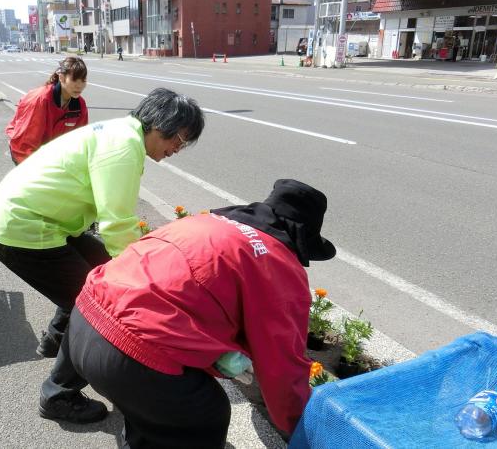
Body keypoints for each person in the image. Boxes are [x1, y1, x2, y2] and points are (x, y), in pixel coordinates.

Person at [55, 179, 337, 446]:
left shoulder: (205, 224)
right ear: (301, 239)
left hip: (83, 321)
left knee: (153, 414)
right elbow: (282, 364)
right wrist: (302, 430)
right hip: (131, 357)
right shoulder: (277, 263)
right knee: (204, 417)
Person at [0, 87, 205, 423]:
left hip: (42, 221)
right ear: (161, 125)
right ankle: (58, 393)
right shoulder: (123, 148)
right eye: (179, 138)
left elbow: (113, 226)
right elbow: (117, 225)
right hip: (25, 230)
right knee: (99, 307)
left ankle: (56, 343)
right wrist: (141, 280)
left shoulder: (121, 133)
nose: (178, 148)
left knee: (95, 272)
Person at [6, 57, 89, 165]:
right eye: (74, 80)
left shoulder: (79, 105)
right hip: (25, 152)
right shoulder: (40, 100)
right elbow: (25, 144)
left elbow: (81, 140)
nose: (79, 86)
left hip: (51, 154)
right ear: (61, 78)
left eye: (83, 80)